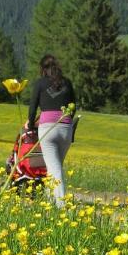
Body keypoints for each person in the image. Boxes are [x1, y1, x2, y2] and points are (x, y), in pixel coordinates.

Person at [26, 54, 76, 207]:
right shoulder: (67, 82)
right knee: (55, 166)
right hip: (66, 128)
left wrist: (30, 122)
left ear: (43, 69)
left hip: (48, 129)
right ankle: (49, 200)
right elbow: (74, 106)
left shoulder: (40, 83)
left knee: (54, 168)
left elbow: (33, 106)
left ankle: (61, 207)